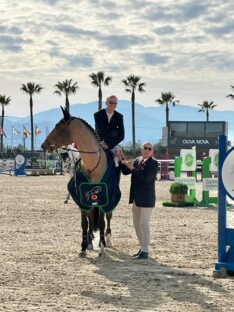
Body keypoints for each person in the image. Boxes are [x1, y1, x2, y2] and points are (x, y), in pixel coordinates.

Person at [121, 142, 158, 259]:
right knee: (136, 224)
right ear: (141, 149)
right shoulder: (137, 160)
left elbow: (146, 178)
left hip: (147, 198)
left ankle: (145, 251)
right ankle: (142, 247)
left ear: (152, 152)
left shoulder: (154, 163)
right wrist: (121, 160)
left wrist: (133, 168)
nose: (147, 150)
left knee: (144, 224)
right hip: (136, 198)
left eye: (149, 149)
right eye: (145, 148)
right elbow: (126, 171)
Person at [94, 95, 125, 182]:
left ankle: (115, 181)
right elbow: (102, 131)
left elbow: (122, 135)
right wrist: (104, 143)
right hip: (98, 140)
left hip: (112, 143)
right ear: (106, 102)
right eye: (111, 102)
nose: (112, 104)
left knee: (118, 160)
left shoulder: (119, 116)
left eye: (115, 103)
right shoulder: (97, 115)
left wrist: (109, 145)